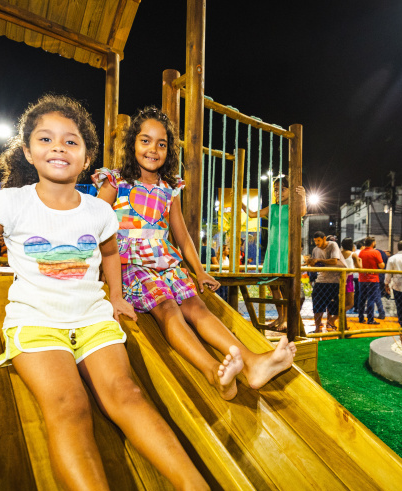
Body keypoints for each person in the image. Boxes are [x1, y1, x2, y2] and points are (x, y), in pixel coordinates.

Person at [0, 95, 244, 491]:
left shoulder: (98, 210)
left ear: (87, 155)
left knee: (128, 395)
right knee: (69, 405)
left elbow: (112, 253)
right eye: (46, 139)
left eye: (71, 140)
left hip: (92, 317)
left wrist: (115, 297)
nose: (59, 147)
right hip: (37, 322)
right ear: (29, 152)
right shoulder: (10, 202)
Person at [95, 105, 296, 403]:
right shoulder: (116, 181)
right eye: (145, 141)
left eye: (161, 144)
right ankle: (212, 371)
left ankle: (253, 363)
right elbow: (94, 223)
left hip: (163, 259)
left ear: (169, 150)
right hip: (129, 262)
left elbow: (182, 234)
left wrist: (199, 270)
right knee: (168, 309)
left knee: (197, 307)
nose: (153, 149)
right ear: (132, 144)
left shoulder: (169, 187)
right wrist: (103, 279)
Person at [246, 177, 307, 330]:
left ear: (290, 191)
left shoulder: (293, 208)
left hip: (286, 253)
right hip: (273, 253)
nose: (278, 192)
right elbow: (253, 214)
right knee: (273, 287)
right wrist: (238, 203)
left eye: (282, 189)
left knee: (286, 288)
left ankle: (286, 319)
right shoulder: (272, 208)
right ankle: (280, 318)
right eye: (275, 190)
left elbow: (302, 212)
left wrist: (303, 197)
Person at [306, 231, 346, 332]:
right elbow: (316, 264)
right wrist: (311, 262)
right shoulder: (315, 249)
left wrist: (318, 260)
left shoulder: (333, 245)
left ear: (324, 238)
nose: (316, 243)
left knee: (336, 305)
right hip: (321, 279)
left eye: (318, 240)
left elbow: (334, 261)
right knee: (317, 303)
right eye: (315, 241)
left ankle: (330, 322)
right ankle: (317, 328)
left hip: (335, 279)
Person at [357, 237, 385, 325]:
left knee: (362, 298)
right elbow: (382, 266)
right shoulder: (375, 252)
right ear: (373, 243)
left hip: (362, 278)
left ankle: (361, 317)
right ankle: (370, 319)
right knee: (371, 299)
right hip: (373, 278)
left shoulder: (361, 252)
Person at [339, 238, 360, 331]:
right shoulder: (353, 254)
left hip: (339, 279)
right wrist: (359, 260)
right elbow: (359, 267)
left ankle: (344, 327)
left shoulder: (339, 254)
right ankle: (337, 315)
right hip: (349, 279)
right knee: (350, 304)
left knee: (343, 303)